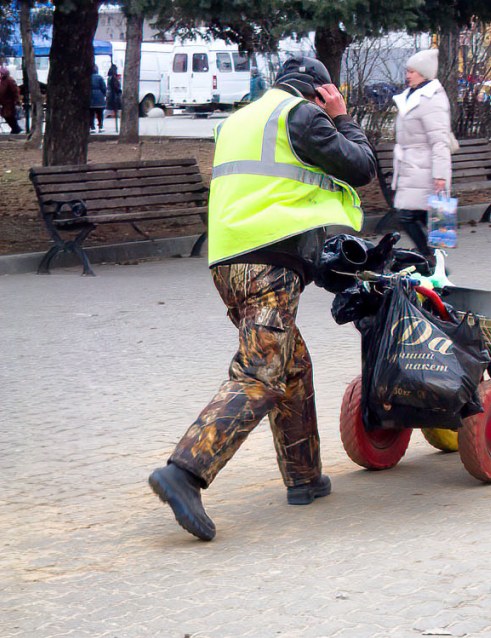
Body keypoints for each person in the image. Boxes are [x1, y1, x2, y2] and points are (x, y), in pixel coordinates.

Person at [148, 56, 377, 542]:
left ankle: (305, 478)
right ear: (318, 91)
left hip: (227, 260)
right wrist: (340, 115)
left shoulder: (242, 117)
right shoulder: (304, 116)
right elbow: (361, 167)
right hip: (269, 263)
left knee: (292, 364)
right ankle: (185, 472)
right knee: (260, 373)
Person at [392, 49, 452, 263]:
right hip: (411, 167)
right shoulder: (413, 95)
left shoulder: (432, 100)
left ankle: (431, 257)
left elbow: (440, 141)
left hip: (425, 169)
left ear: (424, 73)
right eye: (407, 71)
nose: (408, 75)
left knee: (408, 215)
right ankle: (433, 260)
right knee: (417, 216)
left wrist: (440, 175)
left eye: (412, 71)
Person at [0, 67, 22, 134]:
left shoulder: (9, 80)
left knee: (9, 116)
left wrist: (17, 100)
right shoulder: (3, 81)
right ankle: (15, 128)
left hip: (9, 102)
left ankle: (16, 128)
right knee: (6, 116)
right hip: (5, 102)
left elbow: (15, 91)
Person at [90, 66, 107, 132]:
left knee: (91, 113)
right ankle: (100, 126)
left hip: (91, 96)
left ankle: (92, 127)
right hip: (99, 96)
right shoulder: (100, 77)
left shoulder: (89, 77)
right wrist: (104, 94)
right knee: (100, 112)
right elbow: (103, 87)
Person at [106, 64, 122, 132]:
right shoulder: (114, 79)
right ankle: (114, 114)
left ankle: (113, 114)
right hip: (114, 95)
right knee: (115, 105)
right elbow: (116, 87)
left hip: (110, 94)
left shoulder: (109, 78)